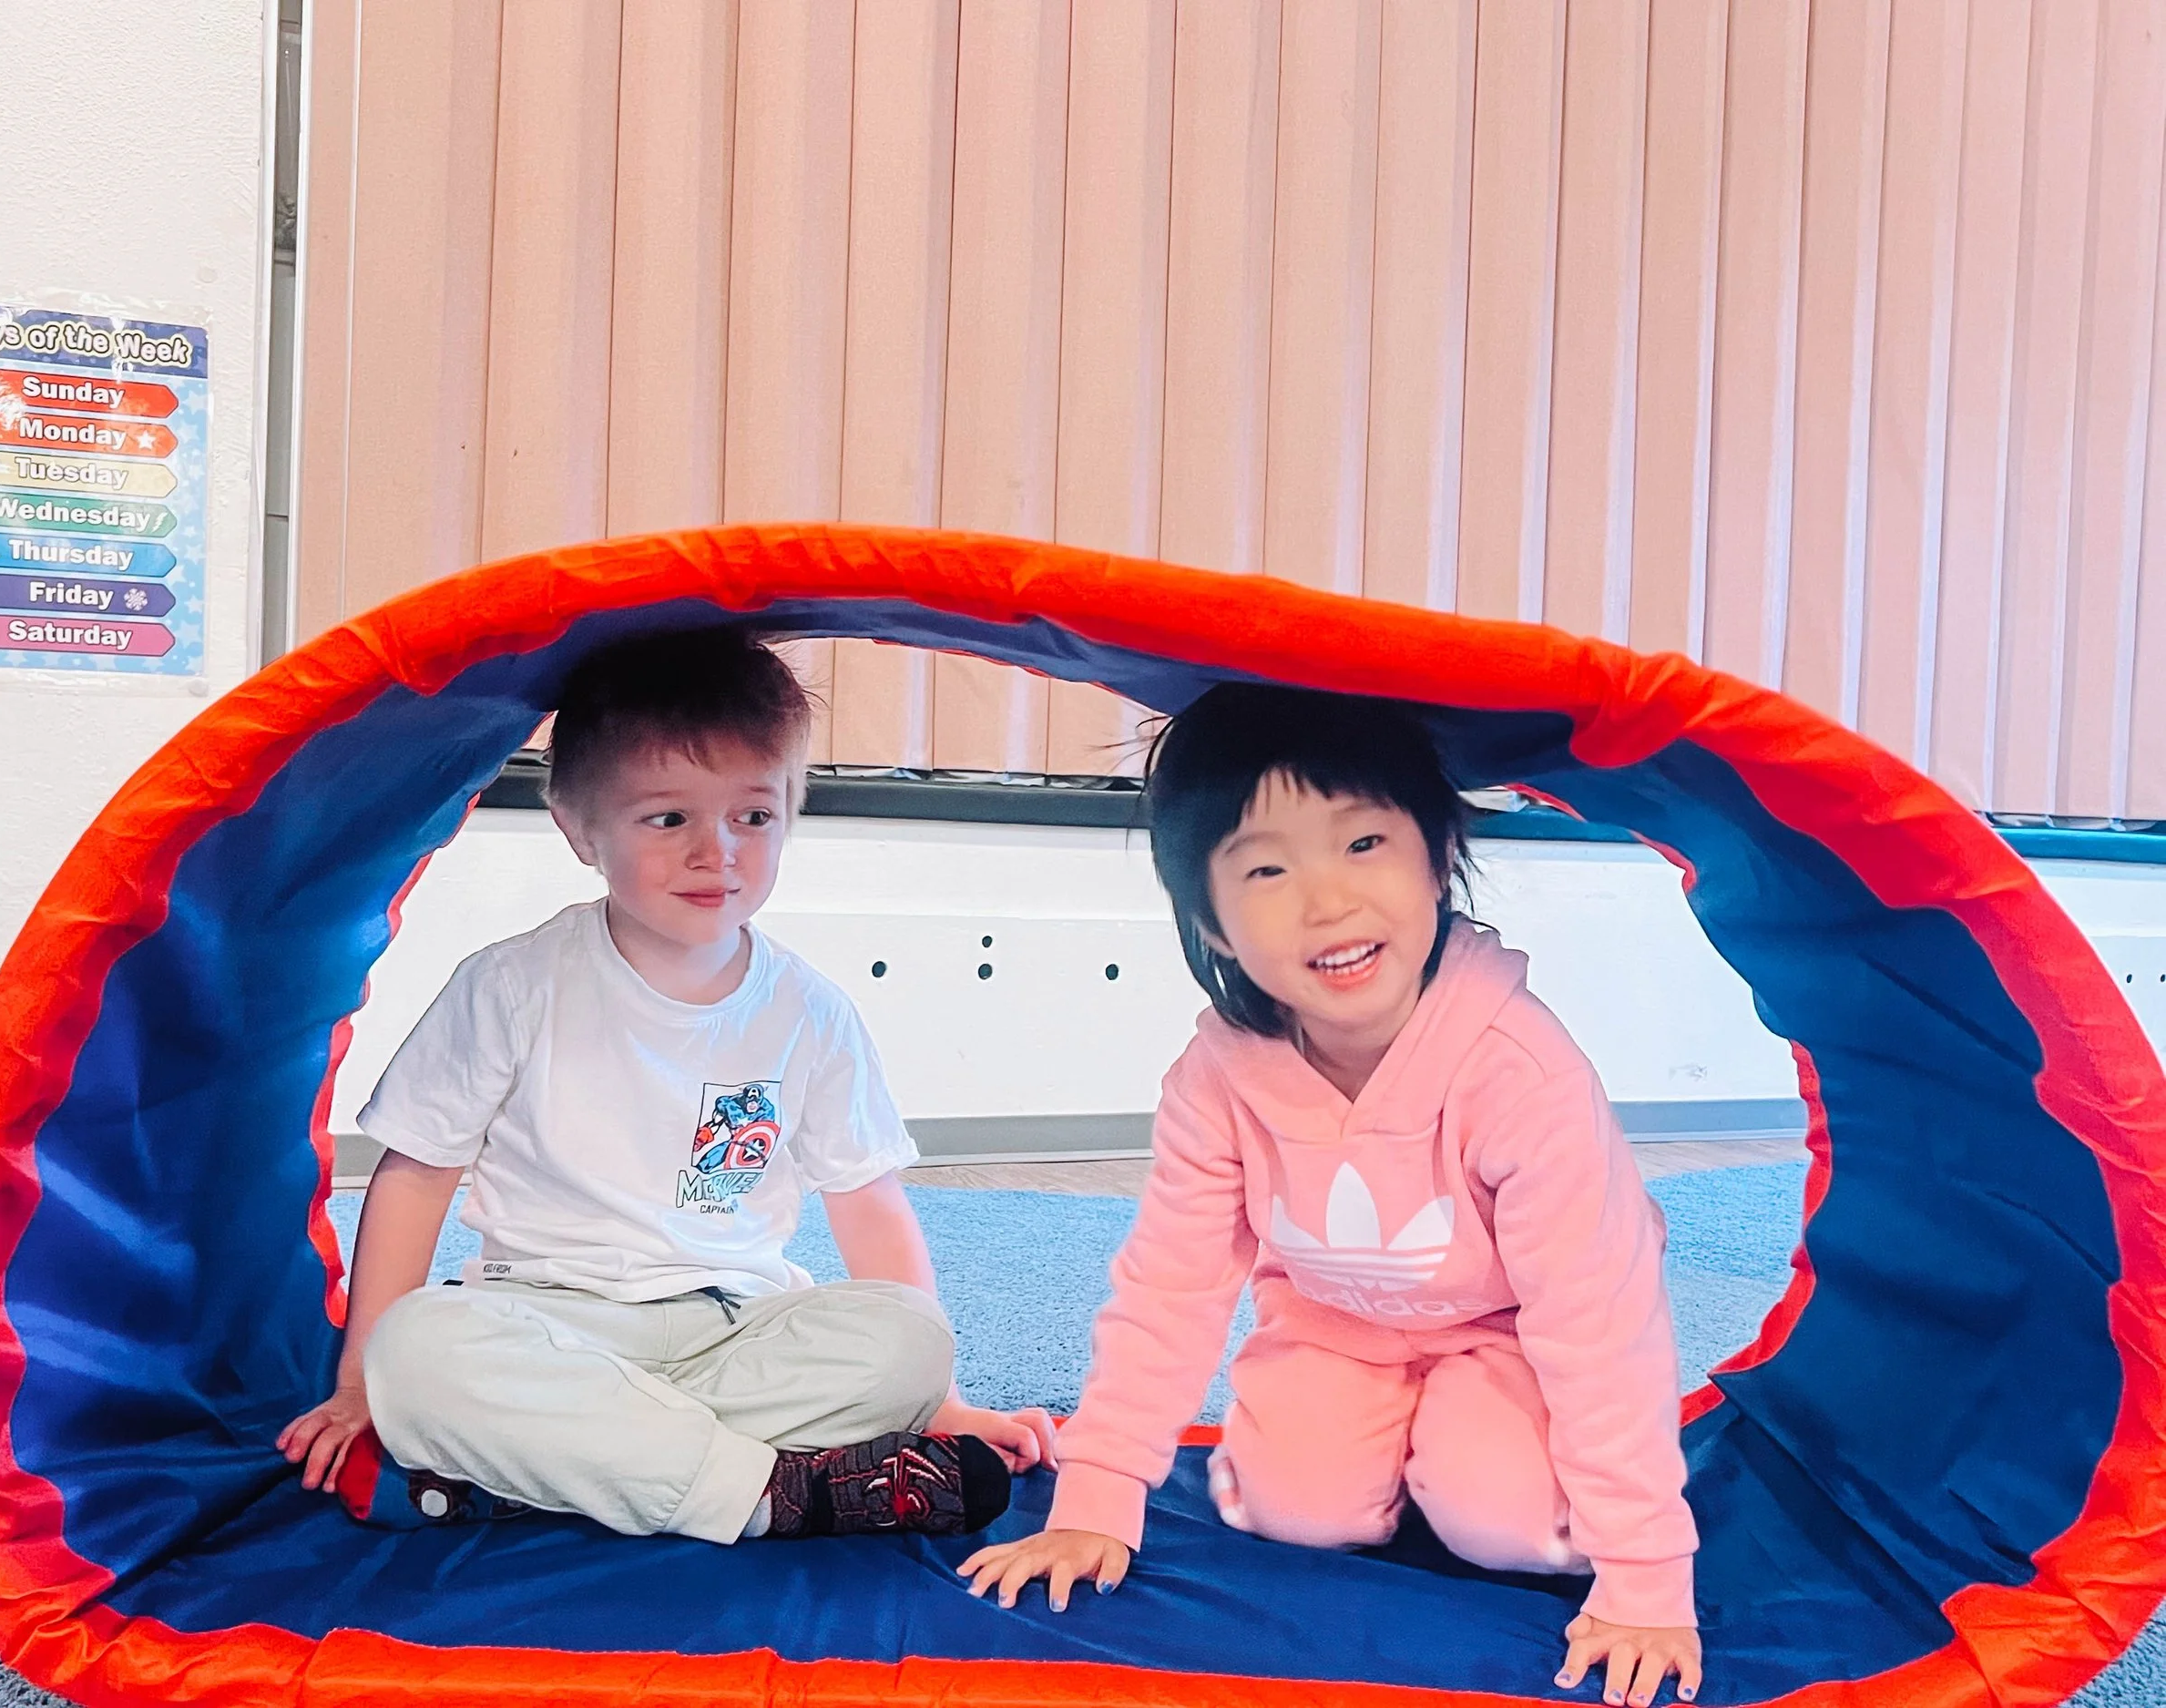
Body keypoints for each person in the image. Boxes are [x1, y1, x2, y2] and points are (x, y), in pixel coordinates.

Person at [960, 685, 1701, 1708]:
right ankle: (1383, 1443)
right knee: (1292, 1509)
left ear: (1438, 858)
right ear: (1212, 928)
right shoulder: (1219, 1077)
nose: (1328, 902)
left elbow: (1597, 1323)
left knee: (1511, 1523)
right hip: (1336, 1324)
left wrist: (1648, 1577)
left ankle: (1460, 1442)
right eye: (1266, 868)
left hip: (1514, 1331)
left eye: (1363, 845)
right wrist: (1099, 1495)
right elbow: (1169, 1287)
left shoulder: (1516, 1072)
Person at [279, 627, 1053, 1543]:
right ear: (578, 828)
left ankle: (582, 1467)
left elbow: (866, 1200)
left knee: (907, 1337)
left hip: (732, 1330)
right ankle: (773, 1493)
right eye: (667, 818)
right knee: (421, 1355)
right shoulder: (512, 985)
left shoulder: (808, 1010)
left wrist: (942, 1398)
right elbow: (417, 1173)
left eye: (753, 817)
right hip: (552, 1318)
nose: (715, 851)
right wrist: (363, 1373)